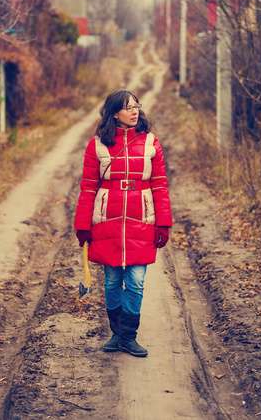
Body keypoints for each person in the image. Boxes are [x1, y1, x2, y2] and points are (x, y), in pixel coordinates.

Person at [74, 90, 172, 358]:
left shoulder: (151, 143)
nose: (134, 110)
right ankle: (116, 334)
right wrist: (83, 224)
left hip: (142, 218)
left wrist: (163, 223)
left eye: (136, 106)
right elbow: (88, 187)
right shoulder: (97, 145)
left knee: (137, 280)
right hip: (107, 220)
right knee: (112, 281)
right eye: (128, 107)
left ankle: (129, 336)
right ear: (114, 112)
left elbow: (160, 185)